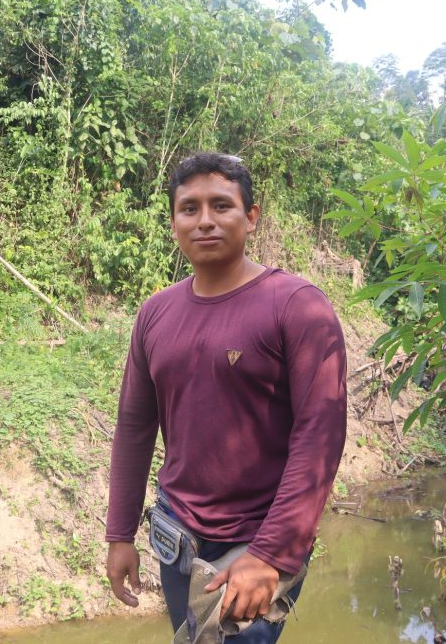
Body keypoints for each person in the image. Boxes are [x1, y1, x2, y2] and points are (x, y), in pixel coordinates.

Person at [104, 152, 348, 642]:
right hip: (178, 536)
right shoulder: (155, 313)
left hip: (256, 541)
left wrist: (273, 554)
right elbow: (134, 428)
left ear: (251, 217)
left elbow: (319, 437)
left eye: (222, 205)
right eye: (189, 208)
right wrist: (119, 534)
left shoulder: (296, 306)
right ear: (173, 221)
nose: (205, 220)